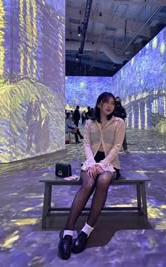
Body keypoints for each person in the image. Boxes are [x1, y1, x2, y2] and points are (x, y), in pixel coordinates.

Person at [58, 92, 125, 260]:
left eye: (112, 103)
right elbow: (86, 144)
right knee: (87, 183)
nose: (110, 106)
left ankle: (86, 230)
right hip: (91, 161)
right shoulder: (89, 122)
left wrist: (102, 165)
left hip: (110, 163)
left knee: (103, 181)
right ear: (99, 104)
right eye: (106, 102)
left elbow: (117, 146)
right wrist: (92, 162)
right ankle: (67, 231)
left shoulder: (119, 122)